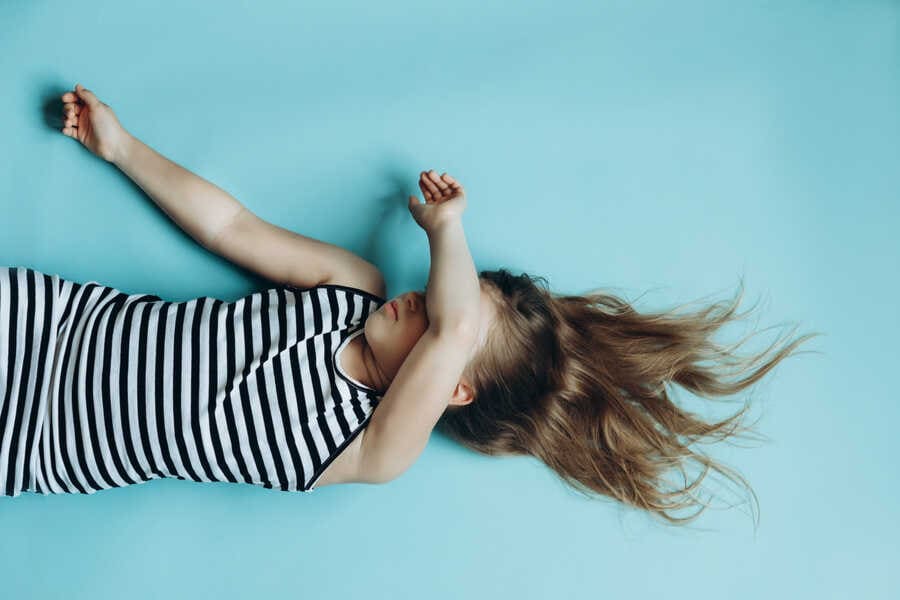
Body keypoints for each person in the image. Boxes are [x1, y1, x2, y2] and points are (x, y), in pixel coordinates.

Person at [0, 84, 818, 526]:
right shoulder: (349, 288)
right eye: (433, 295)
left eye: (435, 314)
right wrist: (122, 148)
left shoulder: (373, 447)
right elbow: (230, 227)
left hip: (37, 443)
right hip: (47, 320)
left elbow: (458, 326)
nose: (421, 299)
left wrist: (447, 228)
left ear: (451, 384)